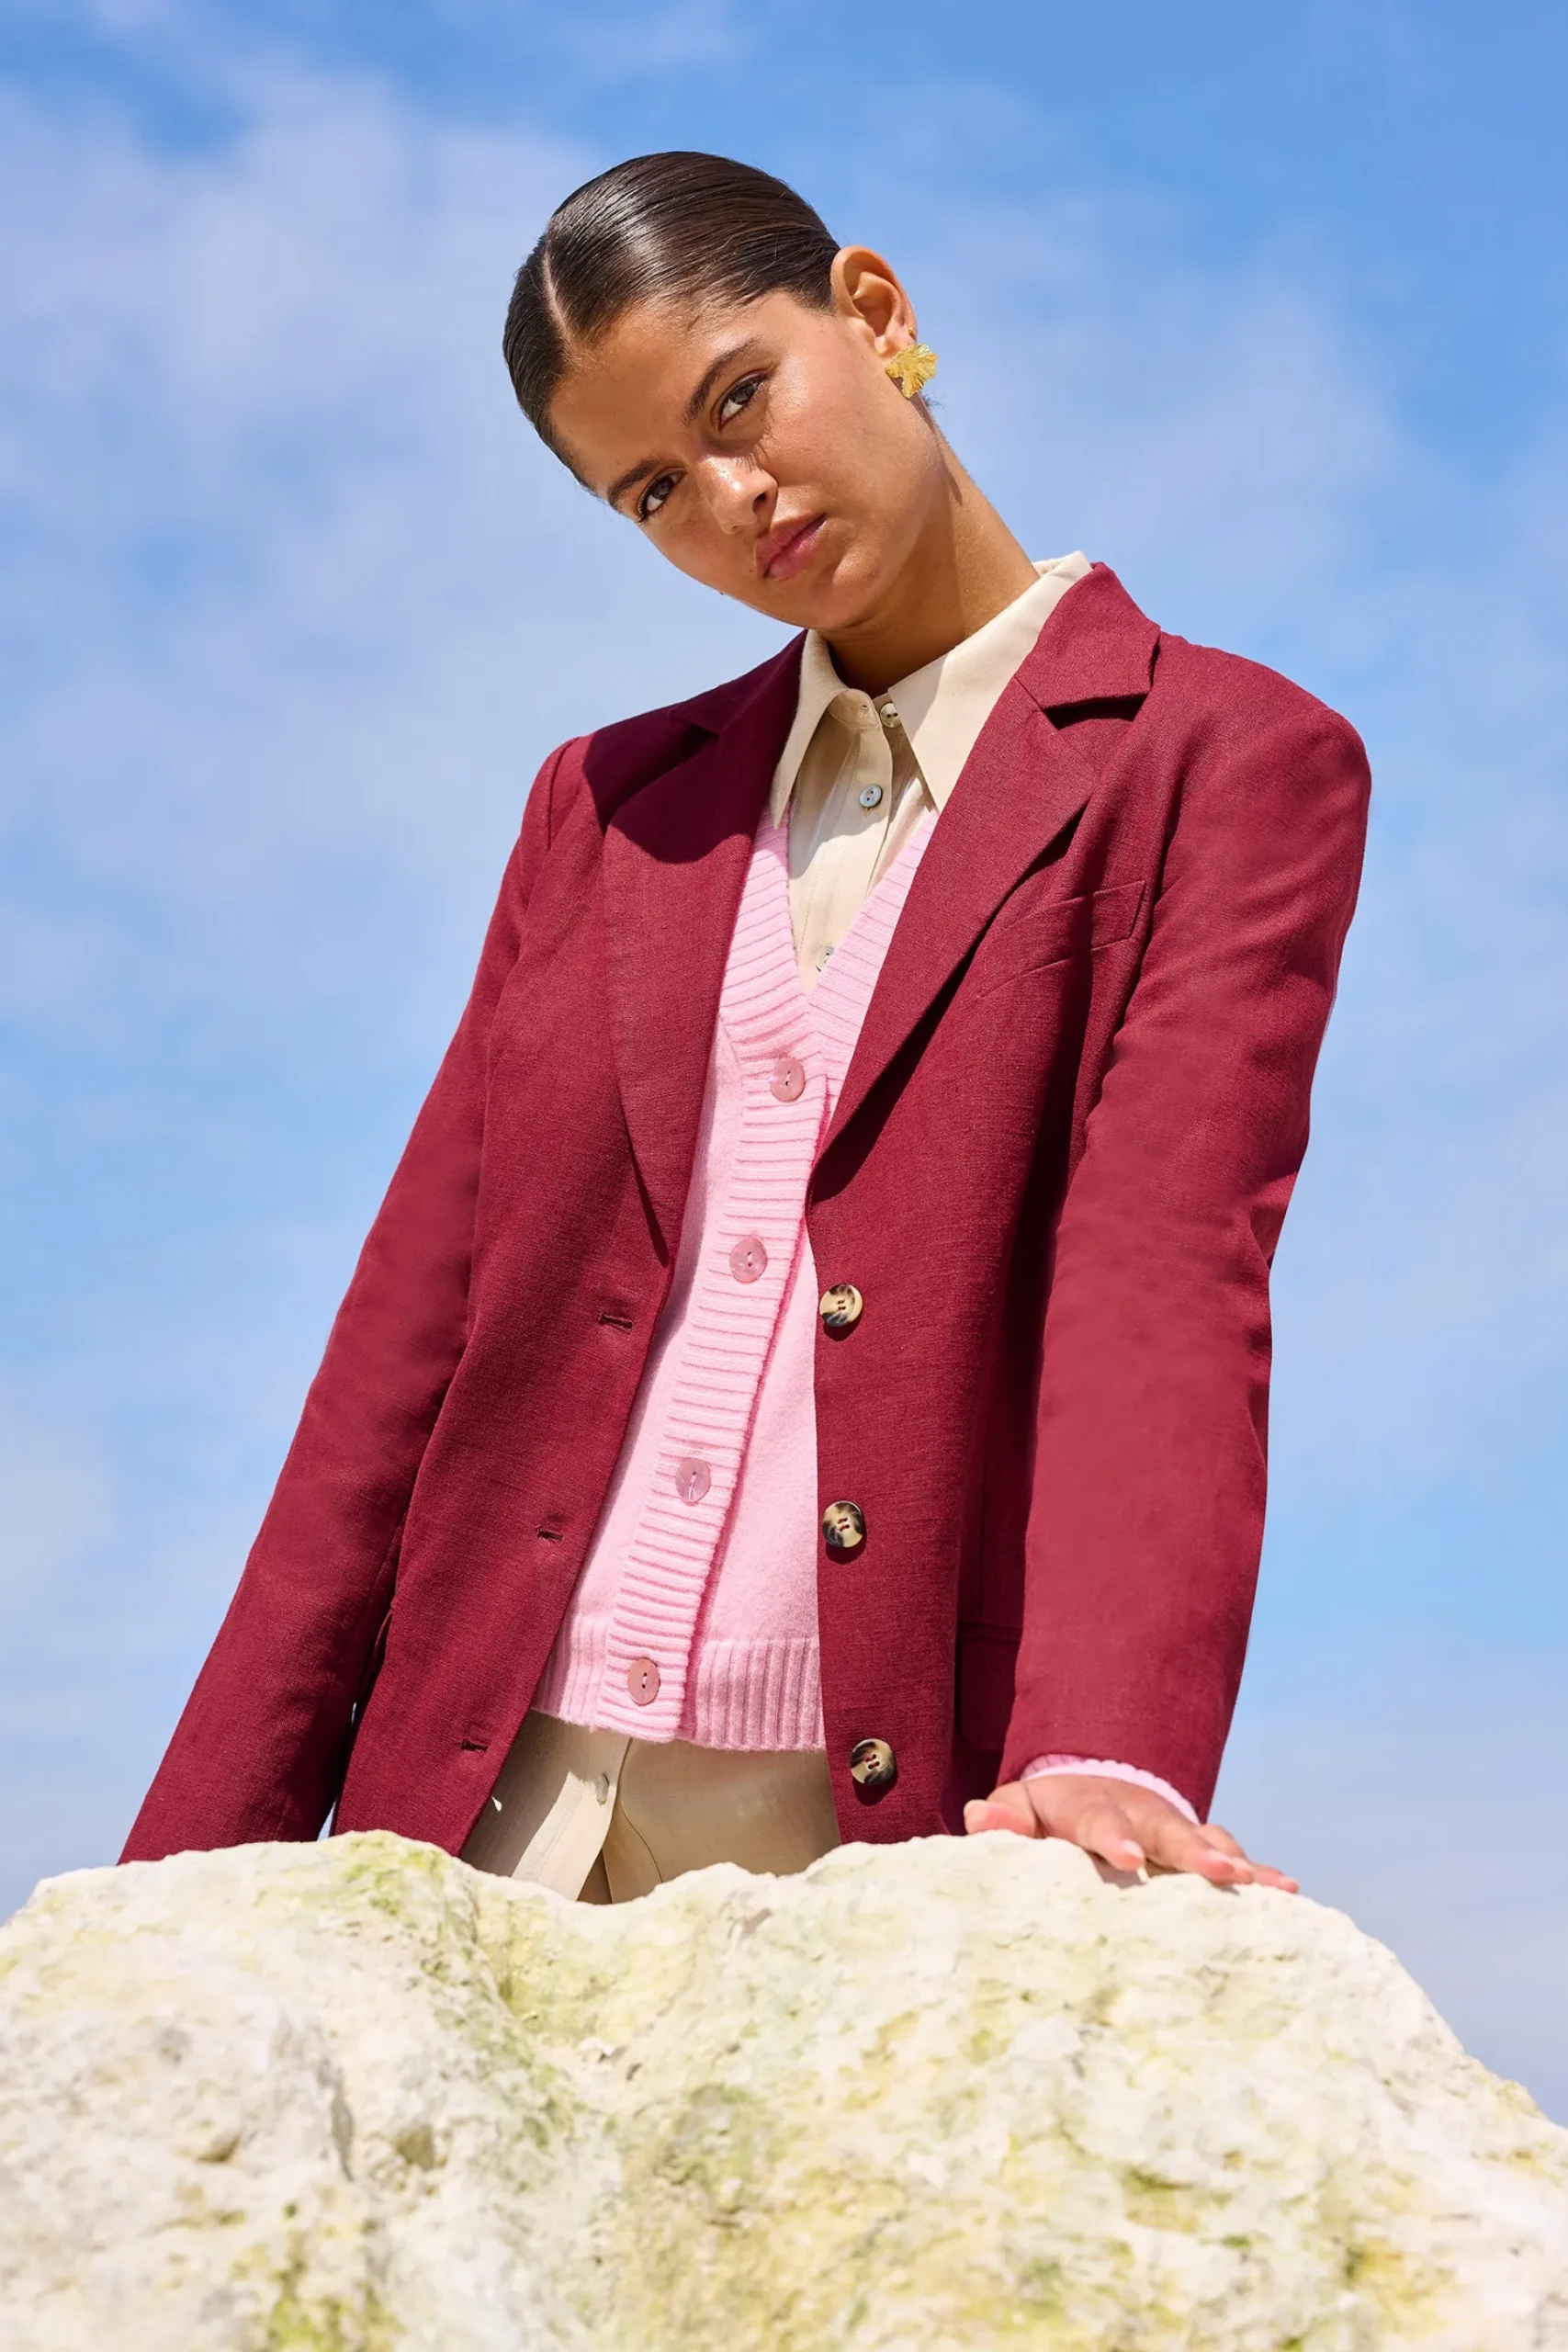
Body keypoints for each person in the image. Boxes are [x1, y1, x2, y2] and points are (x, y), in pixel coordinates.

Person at [122, 152, 1369, 1904]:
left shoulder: (1218, 760)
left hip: (872, 1824)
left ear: (874, 312)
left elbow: (1163, 1261)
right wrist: (188, 1868)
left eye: (738, 399)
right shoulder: (605, 807)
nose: (729, 499)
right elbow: (411, 1342)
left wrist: (1106, 1737)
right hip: (482, 1809)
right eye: (651, 491)